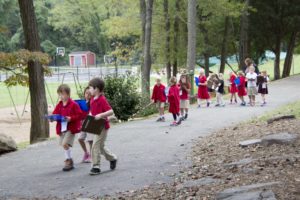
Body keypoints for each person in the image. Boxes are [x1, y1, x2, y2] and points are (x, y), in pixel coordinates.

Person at [88, 78, 117, 175]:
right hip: (95, 125)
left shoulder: (102, 99)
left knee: (95, 145)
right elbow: (93, 111)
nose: (89, 90)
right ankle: (112, 158)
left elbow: (111, 111)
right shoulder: (92, 99)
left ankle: (96, 166)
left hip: (103, 126)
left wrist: (101, 115)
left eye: (90, 88)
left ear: (96, 89)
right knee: (100, 147)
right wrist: (91, 115)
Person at [51, 84, 82, 171]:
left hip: (71, 128)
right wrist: (52, 118)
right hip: (62, 128)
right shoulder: (59, 105)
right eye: (60, 94)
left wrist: (70, 118)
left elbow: (79, 115)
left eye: (63, 94)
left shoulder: (73, 104)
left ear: (68, 94)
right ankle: (69, 159)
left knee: (65, 144)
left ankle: (68, 161)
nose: (61, 96)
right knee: (63, 145)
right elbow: (55, 114)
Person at [78, 87, 93, 163]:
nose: (88, 95)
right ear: (84, 94)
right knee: (80, 139)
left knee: (90, 140)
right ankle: (86, 153)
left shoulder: (92, 102)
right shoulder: (82, 103)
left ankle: (91, 156)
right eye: (86, 93)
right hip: (83, 122)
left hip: (90, 121)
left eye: (90, 93)